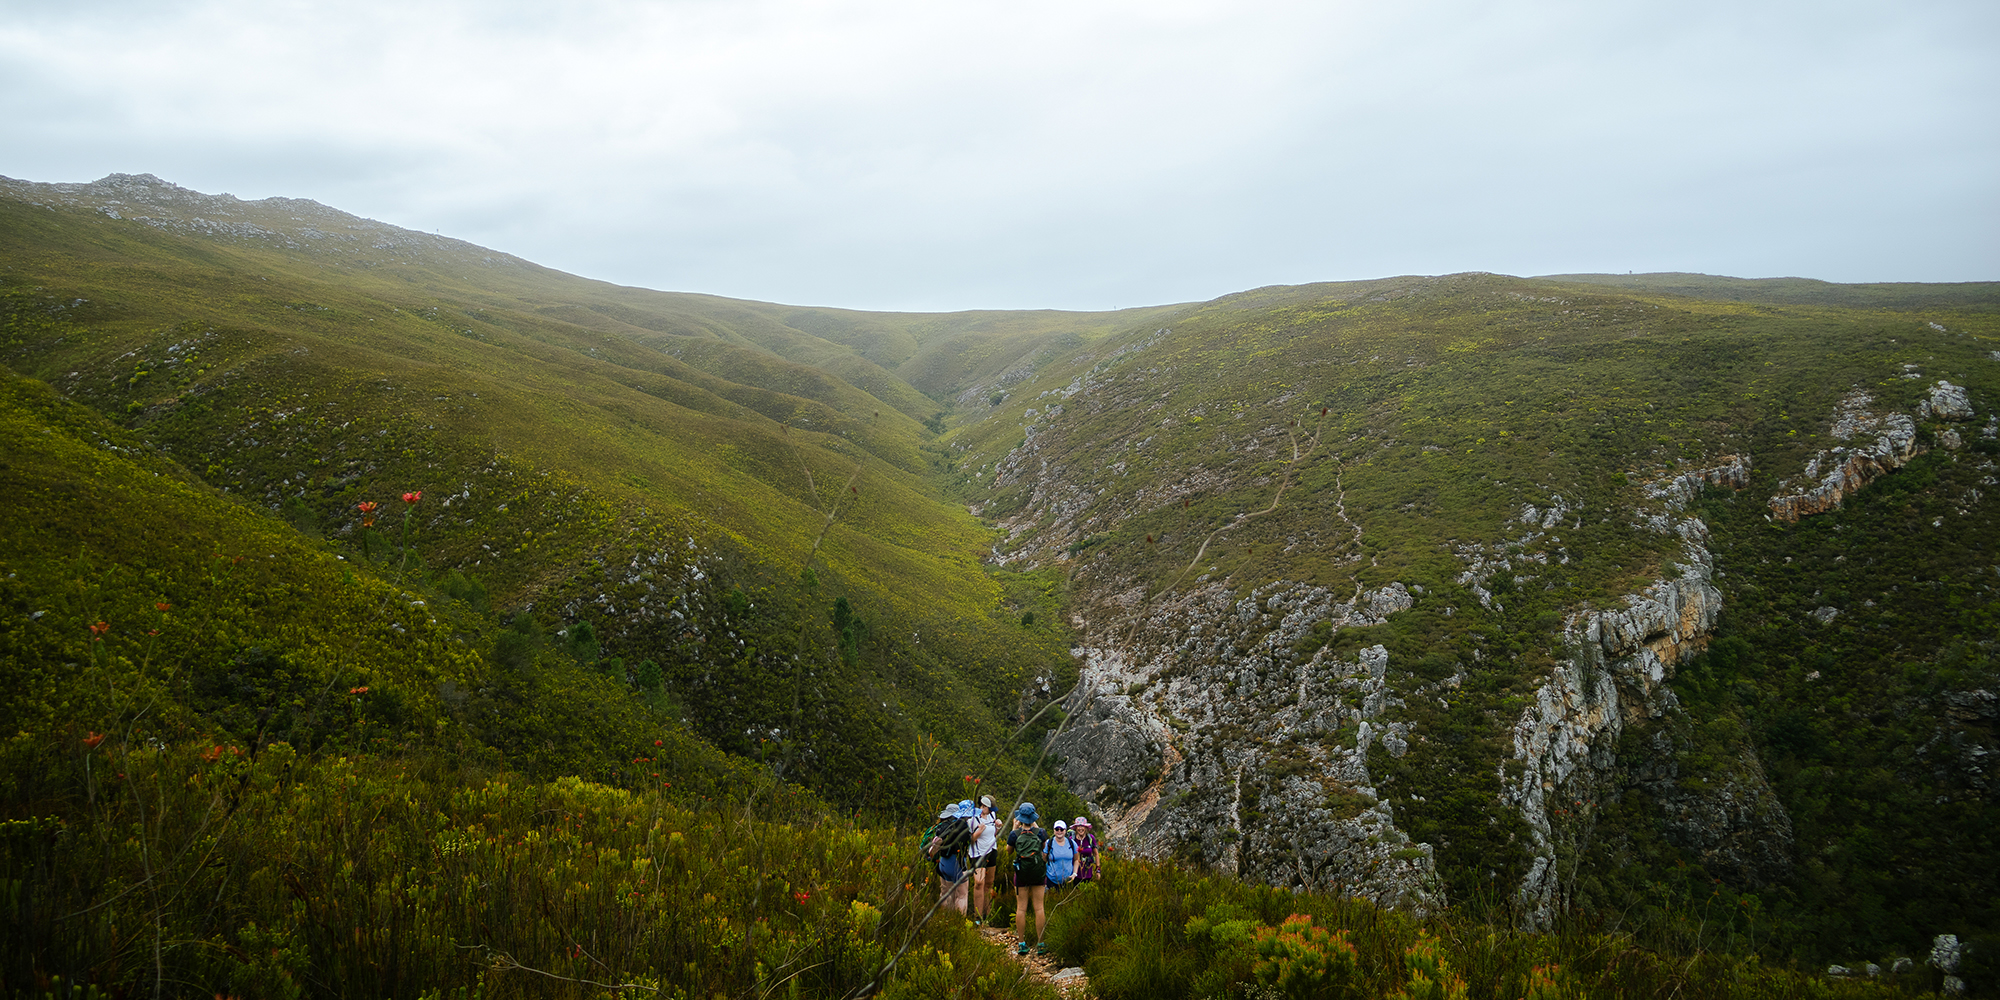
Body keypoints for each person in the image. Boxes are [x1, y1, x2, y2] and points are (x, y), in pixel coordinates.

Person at [1007, 802, 1049, 956]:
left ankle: (1021, 943)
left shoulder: (1015, 834)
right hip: (1038, 873)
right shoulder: (1041, 832)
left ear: (1020, 818)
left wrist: (1014, 828)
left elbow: (1009, 851)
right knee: (1039, 907)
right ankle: (1041, 943)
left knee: (1021, 908)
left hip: (1021, 873)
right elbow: (1045, 850)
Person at [968, 795, 1000, 923]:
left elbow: (993, 834)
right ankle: (977, 916)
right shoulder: (973, 819)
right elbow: (969, 840)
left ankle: (988, 915)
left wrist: (997, 828)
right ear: (983, 806)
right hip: (978, 853)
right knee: (979, 883)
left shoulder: (992, 816)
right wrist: (978, 832)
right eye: (988, 808)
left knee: (989, 883)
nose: (991, 811)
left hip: (991, 851)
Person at [1045, 819, 1076, 889]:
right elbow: (1044, 859)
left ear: (1065, 830)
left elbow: (1077, 859)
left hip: (1068, 880)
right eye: (1057, 829)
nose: (1059, 831)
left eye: (1061, 829)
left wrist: (1074, 873)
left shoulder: (1072, 843)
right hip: (1051, 880)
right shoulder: (1048, 843)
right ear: (1054, 830)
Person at [1071, 816, 1099, 883]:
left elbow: (1096, 854)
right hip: (1074, 874)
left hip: (1088, 873)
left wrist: (1098, 869)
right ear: (1075, 828)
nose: (1080, 828)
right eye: (1078, 826)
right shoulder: (1071, 839)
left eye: (1082, 826)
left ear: (1086, 828)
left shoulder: (1090, 838)